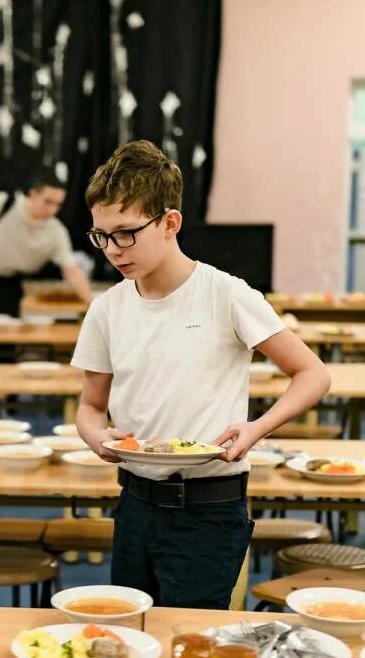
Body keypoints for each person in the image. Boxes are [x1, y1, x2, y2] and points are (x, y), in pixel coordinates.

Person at [71, 141, 332, 610]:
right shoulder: (107, 309)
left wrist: (256, 429)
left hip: (208, 506)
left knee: (189, 645)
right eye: (101, 236)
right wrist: (97, 437)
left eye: (126, 233)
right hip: (135, 502)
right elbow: (90, 406)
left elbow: (312, 374)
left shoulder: (225, 294)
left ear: (170, 223)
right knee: (132, 634)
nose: (112, 249)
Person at [0, 169, 94, 317]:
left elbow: (71, 270)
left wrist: (92, 305)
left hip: (10, 284)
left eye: (58, 205)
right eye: (48, 202)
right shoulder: (4, 203)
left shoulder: (56, 231)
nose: (52, 210)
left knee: (9, 335)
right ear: (33, 193)